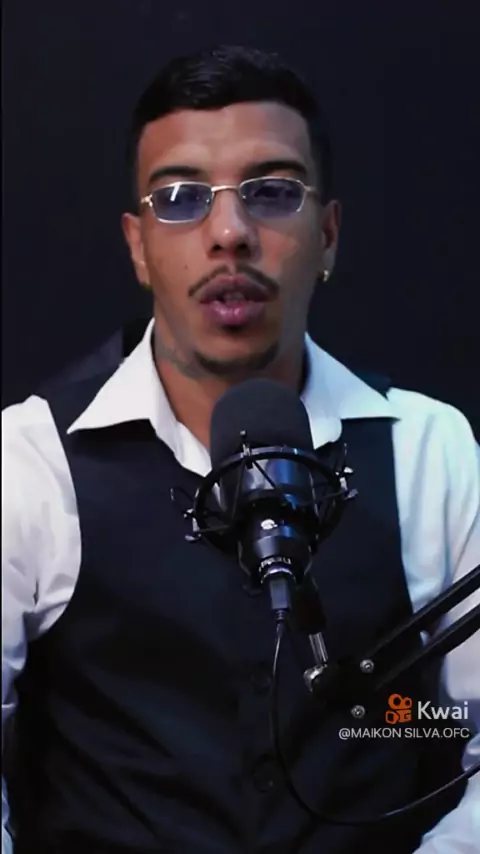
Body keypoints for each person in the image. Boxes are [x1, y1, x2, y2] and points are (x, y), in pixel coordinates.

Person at [2, 44, 479, 854]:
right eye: (179, 198)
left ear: (328, 236)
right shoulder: (28, 461)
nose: (229, 233)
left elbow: (466, 735)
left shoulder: (431, 451)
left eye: (273, 192)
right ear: (138, 246)